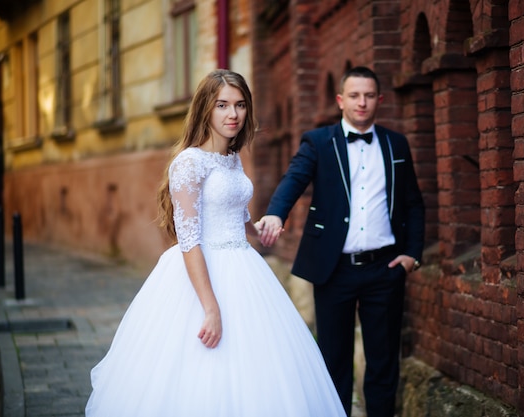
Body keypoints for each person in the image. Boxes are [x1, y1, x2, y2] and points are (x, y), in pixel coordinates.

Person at [85, 69, 346, 417]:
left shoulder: (231, 158)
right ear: (206, 109)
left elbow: (235, 218)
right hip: (201, 276)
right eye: (222, 105)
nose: (233, 114)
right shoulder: (189, 163)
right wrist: (210, 308)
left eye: (239, 105)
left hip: (245, 270)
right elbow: (190, 240)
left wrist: (262, 226)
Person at [257, 66, 425, 417]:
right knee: (334, 361)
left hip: (385, 268)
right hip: (334, 269)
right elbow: (294, 179)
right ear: (340, 101)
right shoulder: (318, 142)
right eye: (353, 95)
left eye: (368, 96)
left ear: (379, 100)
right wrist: (276, 213)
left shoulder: (397, 144)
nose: (361, 103)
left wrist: (412, 253)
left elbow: (413, 202)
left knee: (383, 360)